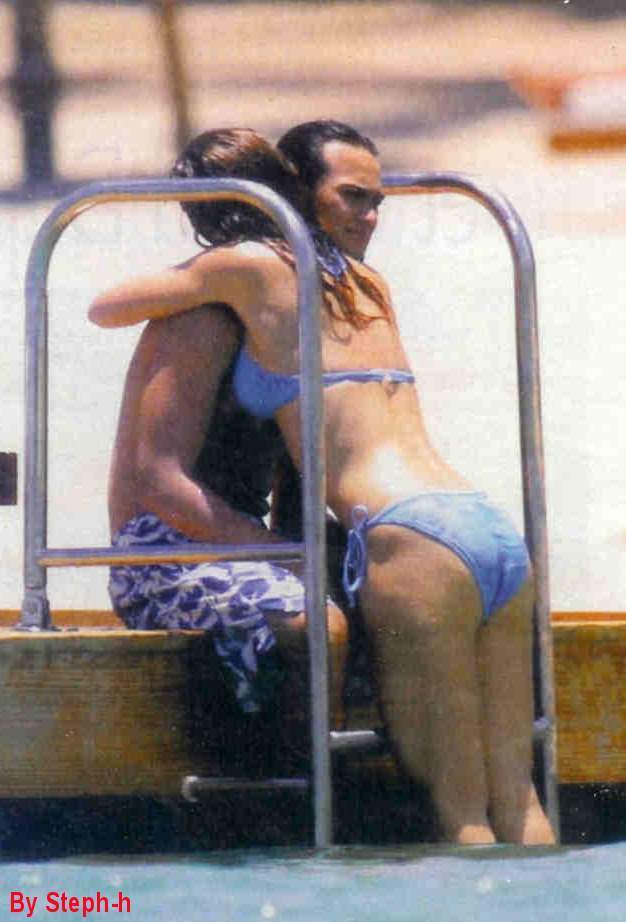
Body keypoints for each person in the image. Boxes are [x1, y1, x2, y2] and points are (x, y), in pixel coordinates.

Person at [90, 123, 554, 846]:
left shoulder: (244, 275)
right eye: (354, 198)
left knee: (461, 817)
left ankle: (303, 820)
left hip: (413, 537)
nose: (370, 216)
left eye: (376, 200)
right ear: (296, 195)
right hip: (486, 529)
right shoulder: (361, 286)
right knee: (521, 808)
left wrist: (286, 553)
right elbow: (174, 476)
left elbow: (103, 307)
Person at [91, 128, 347, 733]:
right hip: (164, 552)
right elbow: (160, 484)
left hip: (239, 538)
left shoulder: (295, 317)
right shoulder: (204, 317)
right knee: (317, 622)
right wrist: (285, 557)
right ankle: (307, 780)